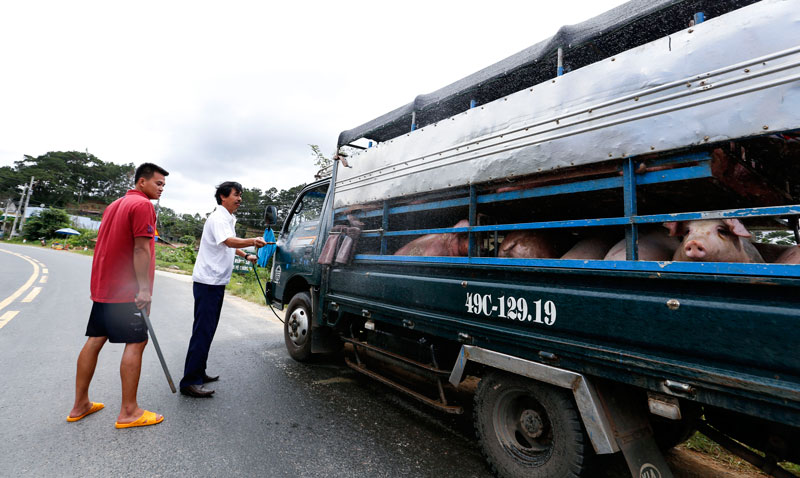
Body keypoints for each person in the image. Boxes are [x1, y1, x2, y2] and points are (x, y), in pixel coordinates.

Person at [67, 162, 168, 429]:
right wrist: (144, 289)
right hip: (127, 290)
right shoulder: (143, 205)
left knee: (95, 339)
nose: (161, 189)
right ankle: (129, 411)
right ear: (142, 182)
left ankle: (80, 405)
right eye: (158, 183)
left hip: (105, 287)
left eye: (163, 185)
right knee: (136, 343)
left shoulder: (114, 205)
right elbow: (140, 250)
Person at [179, 181, 266, 397]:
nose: (240, 199)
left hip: (215, 282)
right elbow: (228, 241)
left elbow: (228, 244)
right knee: (203, 331)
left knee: (207, 330)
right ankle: (190, 381)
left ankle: (199, 372)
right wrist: (252, 241)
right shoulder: (218, 218)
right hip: (208, 282)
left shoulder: (227, 219)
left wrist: (246, 255)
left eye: (241, 195)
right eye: (236, 195)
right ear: (222, 197)